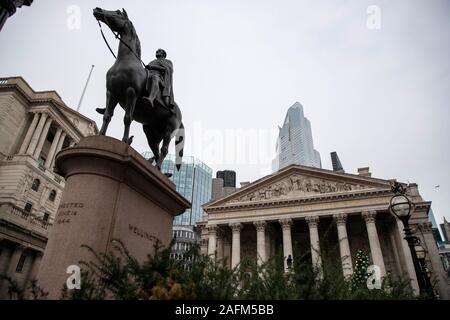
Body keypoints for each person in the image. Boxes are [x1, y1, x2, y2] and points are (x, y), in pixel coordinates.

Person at [142, 48, 175, 114]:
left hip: (160, 79)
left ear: (163, 54)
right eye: (157, 51)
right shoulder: (152, 61)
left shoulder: (168, 62)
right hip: (148, 76)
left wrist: (152, 67)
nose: (157, 52)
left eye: (159, 51)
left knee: (155, 78)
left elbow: (167, 70)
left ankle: (151, 99)